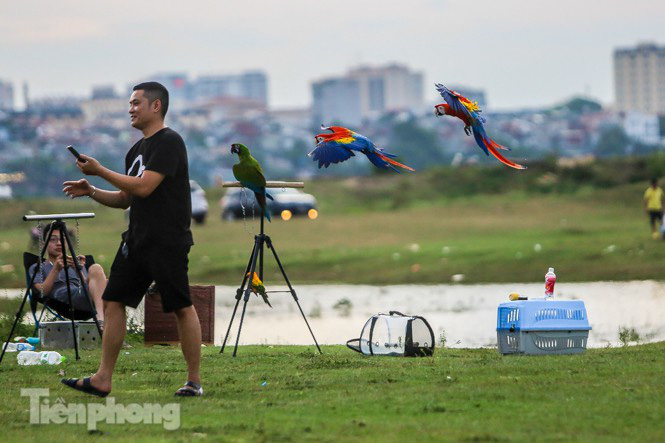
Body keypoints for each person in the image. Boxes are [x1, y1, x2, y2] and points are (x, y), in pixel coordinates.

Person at [61, 82, 202, 397]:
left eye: (136, 102)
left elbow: (145, 186)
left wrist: (100, 171)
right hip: (136, 240)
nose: (130, 108)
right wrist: (93, 190)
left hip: (167, 240)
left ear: (156, 106)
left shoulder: (170, 142)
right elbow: (126, 198)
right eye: (129, 103)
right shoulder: (134, 151)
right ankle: (102, 378)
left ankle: (194, 381)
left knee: (180, 306)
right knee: (112, 301)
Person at [30, 228, 106, 323]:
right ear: (43, 243)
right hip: (67, 302)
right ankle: (102, 319)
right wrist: (56, 269)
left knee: (101, 274)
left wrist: (78, 270)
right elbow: (42, 292)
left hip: (88, 297)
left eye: (63, 239)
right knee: (97, 269)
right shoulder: (38, 267)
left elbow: (89, 285)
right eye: (53, 239)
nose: (59, 243)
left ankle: (102, 318)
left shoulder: (74, 262)